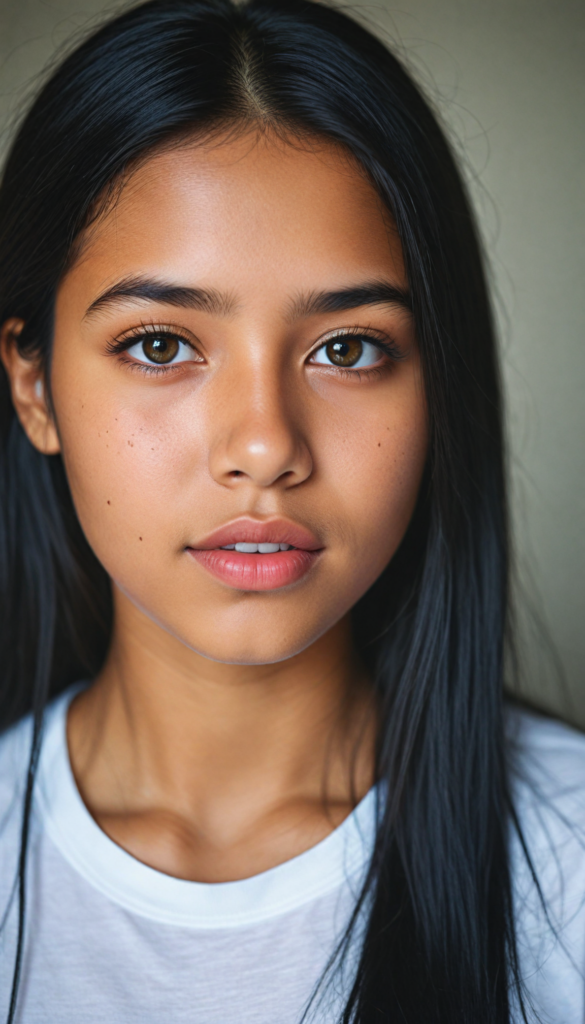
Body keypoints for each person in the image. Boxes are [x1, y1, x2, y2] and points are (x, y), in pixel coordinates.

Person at [0, 0, 583, 1020]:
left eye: (347, 348)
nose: (265, 444)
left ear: (438, 381)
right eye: (161, 344)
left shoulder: (568, 866)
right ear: (35, 387)